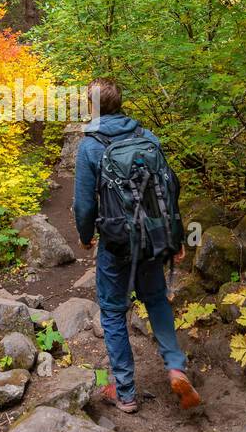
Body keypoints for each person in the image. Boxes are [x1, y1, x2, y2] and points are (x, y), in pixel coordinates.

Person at [72, 77, 200, 413]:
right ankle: (175, 367)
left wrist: (86, 237)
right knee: (156, 300)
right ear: (121, 103)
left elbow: (84, 205)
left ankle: (125, 392)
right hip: (153, 239)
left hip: (116, 243)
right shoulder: (147, 137)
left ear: (92, 107)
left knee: (113, 312)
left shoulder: (89, 146)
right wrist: (177, 238)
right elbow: (170, 189)